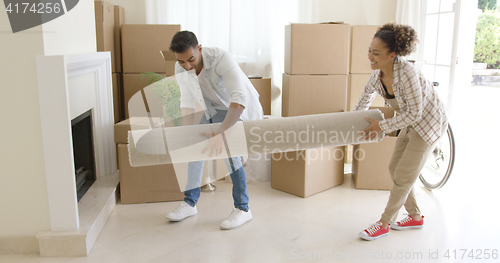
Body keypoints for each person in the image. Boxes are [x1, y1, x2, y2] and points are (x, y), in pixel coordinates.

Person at [354, 23, 448, 240]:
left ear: (392, 55)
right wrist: (350, 126)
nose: (370, 56)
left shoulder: (407, 74)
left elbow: (416, 114)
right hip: (409, 120)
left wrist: (381, 126)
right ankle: (415, 216)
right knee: (394, 168)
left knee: (404, 175)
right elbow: (362, 103)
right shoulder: (376, 78)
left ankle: (384, 222)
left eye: (376, 53)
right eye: (369, 50)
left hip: (428, 122)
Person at [165, 31, 263, 230]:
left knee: (229, 152)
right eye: (182, 62)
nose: (187, 66)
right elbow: (186, 101)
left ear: (199, 49)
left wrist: (221, 133)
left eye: (191, 59)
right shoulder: (180, 67)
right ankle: (190, 203)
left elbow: (239, 98)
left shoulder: (220, 59)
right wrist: (185, 132)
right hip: (210, 107)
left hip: (234, 107)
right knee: (195, 148)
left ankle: (243, 208)